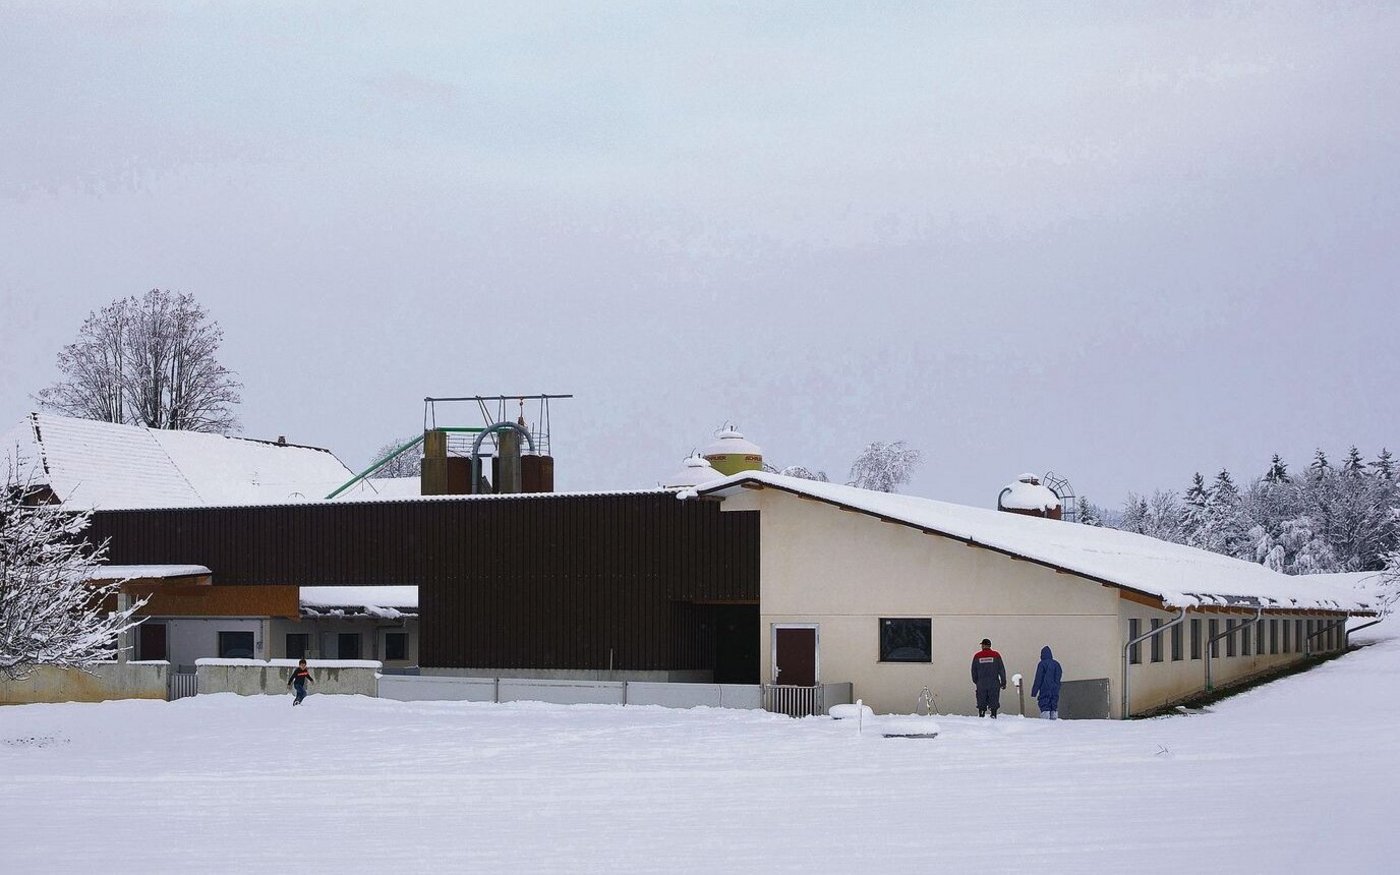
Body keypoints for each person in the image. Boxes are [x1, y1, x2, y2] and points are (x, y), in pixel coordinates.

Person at [970, 638, 1006, 718]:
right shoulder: (996, 655)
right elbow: (1001, 669)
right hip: (994, 683)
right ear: (990, 645)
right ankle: (993, 714)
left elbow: (973, 670)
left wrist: (976, 681)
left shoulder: (977, 656)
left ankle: (981, 714)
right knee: (993, 700)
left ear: (983, 645)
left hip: (981, 683)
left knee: (981, 700)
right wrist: (1003, 682)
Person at [1031, 645, 1063, 719]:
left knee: (1045, 701)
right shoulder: (1057, 664)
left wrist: (1034, 692)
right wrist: (1057, 685)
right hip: (1055, 687)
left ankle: (1045, 719)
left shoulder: (1042, 664)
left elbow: (1038, 678)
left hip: (1045, 687)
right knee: (1054, 700)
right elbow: (1059, 675)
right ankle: (1054, 715)